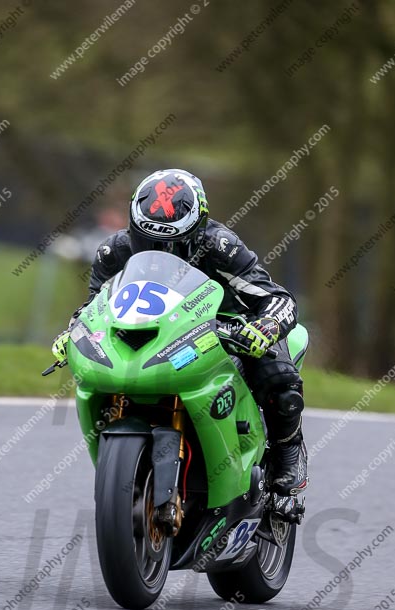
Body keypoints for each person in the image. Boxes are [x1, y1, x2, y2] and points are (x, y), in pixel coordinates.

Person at [53, 169, 307, 495]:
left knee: (279, 378)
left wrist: (265, 327)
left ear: (197, 230)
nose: (157, 252)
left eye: (169, 244)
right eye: (147, 241)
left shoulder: (221, 247)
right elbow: (94, 307)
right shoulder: (114, 252)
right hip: (162, 330)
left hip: (229, 324)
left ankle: (288, 451)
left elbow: (276, 299)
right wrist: (74, 331)